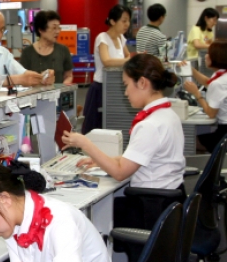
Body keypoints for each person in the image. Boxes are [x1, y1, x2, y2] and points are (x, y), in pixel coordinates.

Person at [64, 54, 184, 233]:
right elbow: (142, 157)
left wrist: (86, 144)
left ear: (142, 83)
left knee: (89, 217)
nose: (126, 92)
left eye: (127, 85)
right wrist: (100, 160)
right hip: (168, 202)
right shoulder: (168, 115)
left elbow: (120, 173)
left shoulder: (149, 125)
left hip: (150, 208)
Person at [81, 4, 132, 134]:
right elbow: (107, 61)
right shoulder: (102, 38)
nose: (127, 24)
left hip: (116, 86)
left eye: (128, 21)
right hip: (101, 87)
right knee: (95, 126)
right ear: (113, 21)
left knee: (113, 122)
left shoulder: (121, 38)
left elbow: (128, 56)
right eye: (124, 20)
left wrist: (129, 60)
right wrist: (126, 61)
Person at [184, 40, 227, 152]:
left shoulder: (218, 83)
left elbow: (211, 114)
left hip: (224, 132)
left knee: (191, 140)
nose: (206, 56)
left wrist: (196, 93)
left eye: (209, 54)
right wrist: (191, 70)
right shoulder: (222, 74)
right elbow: (209, 82)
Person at [19, 10, 73, 85]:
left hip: (58, 95)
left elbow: (68, 76)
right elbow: (22, 79)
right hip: (34, 95)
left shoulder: (63, 50)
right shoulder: (28, 52)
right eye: (54, 28)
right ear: (41, 30)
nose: (57, 32)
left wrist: (63, 88)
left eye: (58, 28)